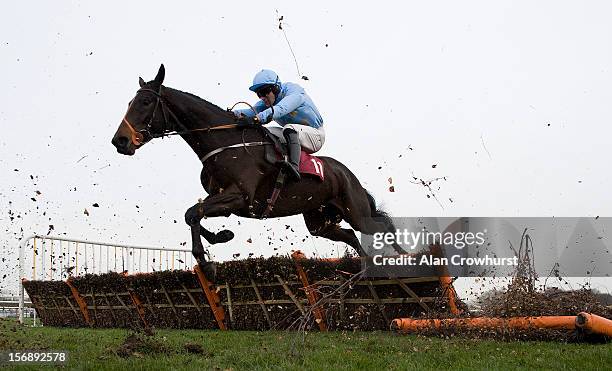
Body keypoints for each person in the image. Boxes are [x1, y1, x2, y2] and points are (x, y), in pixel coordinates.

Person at [233, 69, 324, 181]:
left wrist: (256, 118)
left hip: (315, 135)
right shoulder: (267, 102)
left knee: (289, 128)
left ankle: (294, 167)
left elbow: (281, 109)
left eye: (263, 92)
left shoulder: (295, 92)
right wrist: (228, 114)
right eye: (258, 94)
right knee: (264, 132)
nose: (262, 97)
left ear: (275, 88)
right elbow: (252, 111)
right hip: (295, 135)